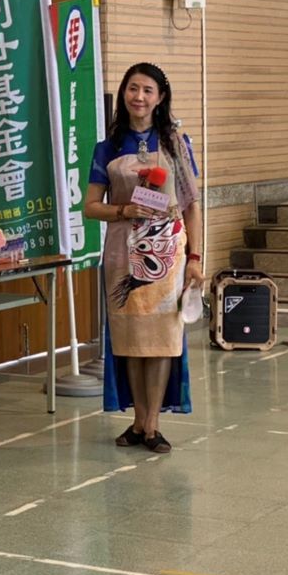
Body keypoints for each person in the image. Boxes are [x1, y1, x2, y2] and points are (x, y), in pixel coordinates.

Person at [84, 62, 204, 454]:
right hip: (123, 255)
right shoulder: (107, 147)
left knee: (163, 339)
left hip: (167, 255)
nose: (139, 96)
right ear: (123, 94)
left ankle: (153, 426)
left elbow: (192, 206)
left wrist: (195, 258)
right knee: (131, 340)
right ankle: (138, 422)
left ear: (160, 97)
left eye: (147, 90)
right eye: (132, 88)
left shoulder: (175, 144)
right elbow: (90, 206)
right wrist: (123, 210)